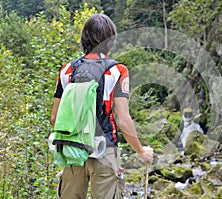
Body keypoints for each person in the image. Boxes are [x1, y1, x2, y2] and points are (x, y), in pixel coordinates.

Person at [51, 13, 154, 199]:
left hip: (72, 149)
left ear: (84, 38)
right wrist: (141, 151)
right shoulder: (117, 70)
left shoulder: (67, 69)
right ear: (110, 39)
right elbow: (123, 120)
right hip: (104, 149)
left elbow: (55, 119)